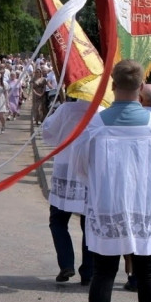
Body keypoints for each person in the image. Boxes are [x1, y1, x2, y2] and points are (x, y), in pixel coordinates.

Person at [72, 59, 151, 302]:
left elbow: (80, 167)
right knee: (148, 272)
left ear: (112, 85)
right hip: (145, 207)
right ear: (140, 88)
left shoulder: (96, 123)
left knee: (104, 272)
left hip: (108, 204)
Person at [41, 96, 100, 286]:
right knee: (88, 224)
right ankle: (88, 272)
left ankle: (66, 264)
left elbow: (49, 133)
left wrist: (50, 116)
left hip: (66, 168)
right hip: (89, 170)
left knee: (58, 220)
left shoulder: (66, 109)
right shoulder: (101, 110)